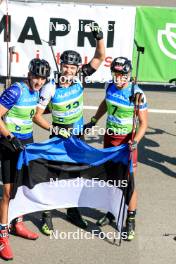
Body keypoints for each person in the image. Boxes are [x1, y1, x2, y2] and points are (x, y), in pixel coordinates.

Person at [33, 25, 105, 236]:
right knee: (53, 176)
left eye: (73, 68)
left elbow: (100, 57)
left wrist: (98, 36)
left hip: (77, 136)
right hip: (58, 136)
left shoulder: (81, 77)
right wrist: (55, 128)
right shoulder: (50, 87)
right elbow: (36, 116)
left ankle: (72, 210)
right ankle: (46, 215)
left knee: (75, 175)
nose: (69, 71)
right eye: (66, 66)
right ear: (61, 65)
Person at [85, 56, 148, 241]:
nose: (119, 79)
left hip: (127, 141)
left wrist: (135, 141)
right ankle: (113, 211)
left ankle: (130, 219)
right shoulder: (109, 86)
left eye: (123, 75)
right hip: (110, 137)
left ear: (129, 75)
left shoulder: (137, 94)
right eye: (116, 74)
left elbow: (143, 123)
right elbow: (105, 103)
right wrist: (95, 120)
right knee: (112, 178)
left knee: (128, 181)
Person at [0, 58, 51, 260]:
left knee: (21, 188)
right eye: (36, 76)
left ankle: (17, 223)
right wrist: (10, 137)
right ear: (29, 74)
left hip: (26, 143)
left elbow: (34, 115)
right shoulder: (16, 90)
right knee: (7, 192)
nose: (39, 81)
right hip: (8, 143)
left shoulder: (37, 92)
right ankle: (2, 236)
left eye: (43, 78)